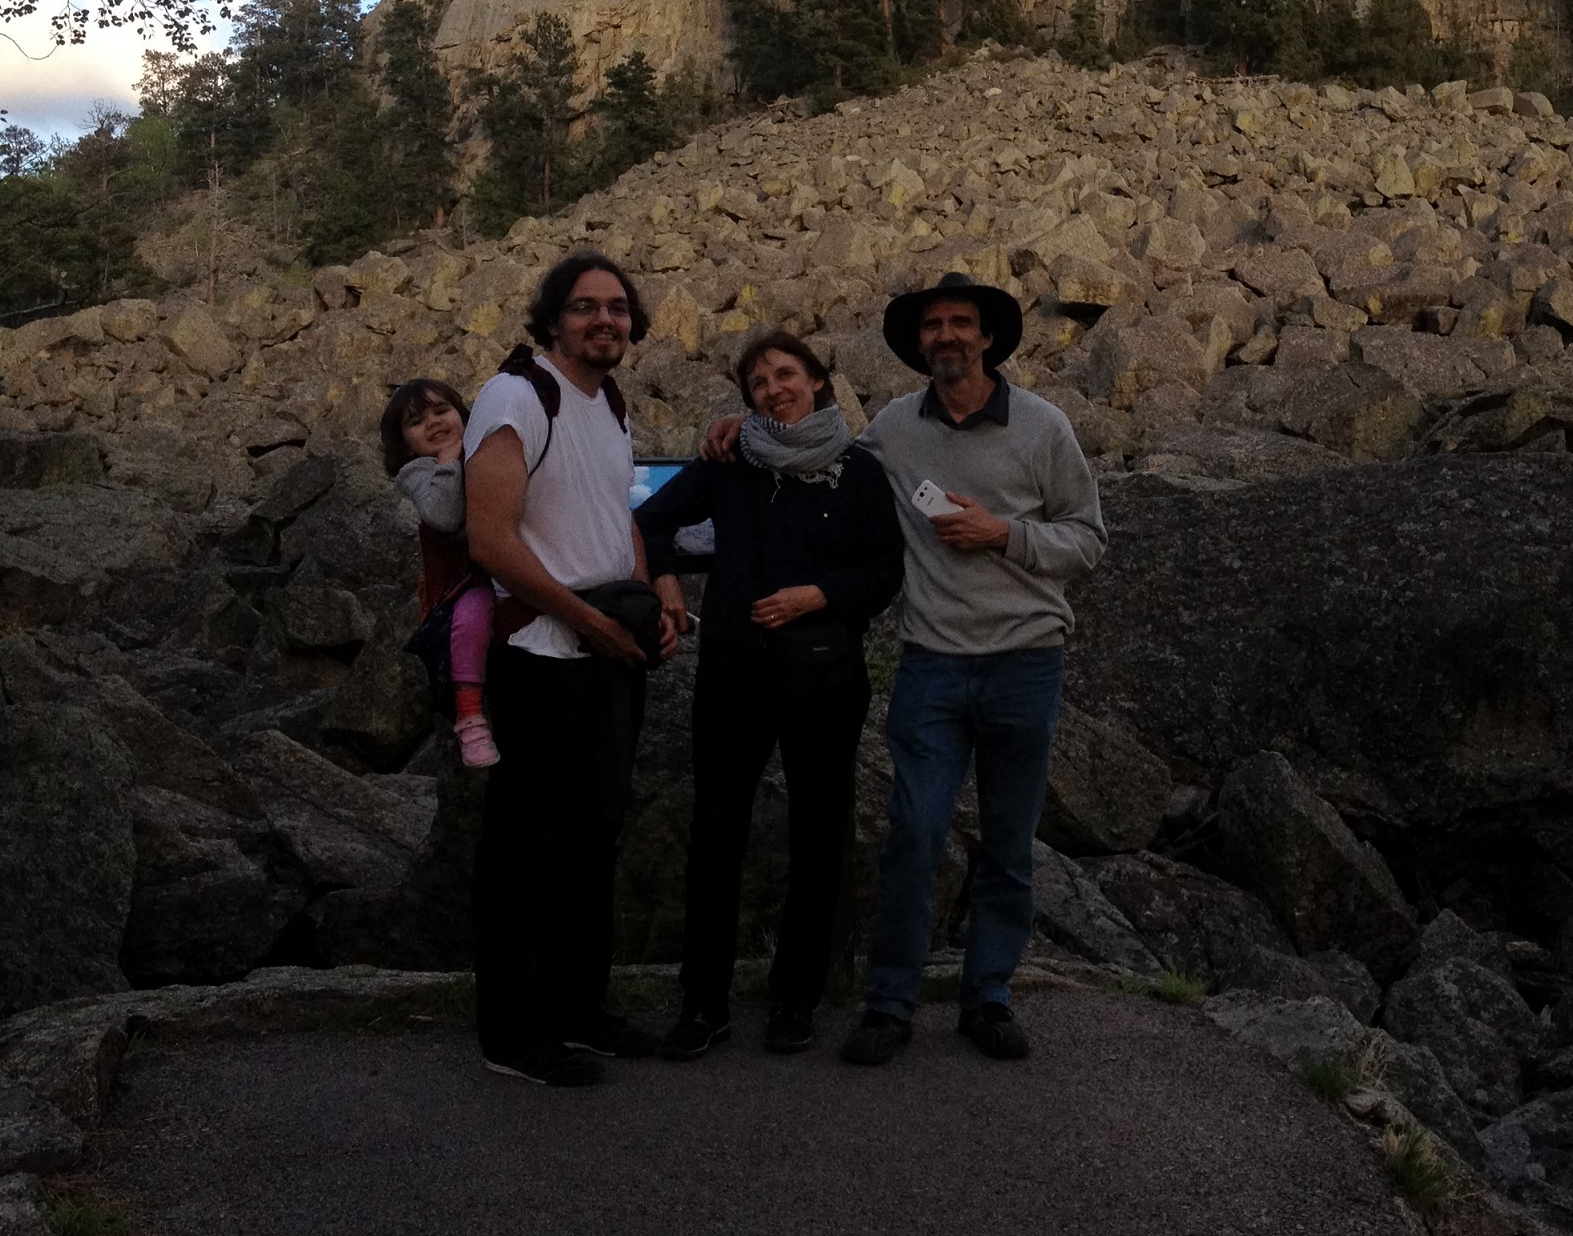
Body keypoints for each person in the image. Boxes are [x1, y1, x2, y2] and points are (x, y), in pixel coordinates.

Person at [711, 272, 1106, 1064]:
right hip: (931, 661)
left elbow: (1088, 540)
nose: (949, 335)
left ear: (988, 336)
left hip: (1025, 660)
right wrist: (745, 426)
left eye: (962, 322)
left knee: (1006, 838)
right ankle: (889, 1000)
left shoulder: (1044, 425)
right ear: (918, 343)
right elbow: (819, 462)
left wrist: (1005, 535)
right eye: (934, 326)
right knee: (914, 832)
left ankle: (987, 994)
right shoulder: (893, 425)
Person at [637, 329, 905, 1059]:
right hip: (733, 667)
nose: (772, 389)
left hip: (824, 670)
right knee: (715, 832)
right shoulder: (731, 460)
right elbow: (651, 517)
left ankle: (796, 1000)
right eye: (758, 382)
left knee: (820, 833)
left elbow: (885, 570)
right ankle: (704, 1003)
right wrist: (663, 581)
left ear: (819, 381)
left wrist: (817, 594)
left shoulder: (859, 472)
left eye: (786, 374)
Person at [464, 250, 685, 1088]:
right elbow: (492, 538)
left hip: (602, 652)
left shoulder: (609, 403)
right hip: (540, 654)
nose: (605, 320)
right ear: (552, 318)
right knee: (526, 846)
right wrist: (588, 618)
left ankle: (577, 1008)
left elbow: (616, 516)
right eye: (586, 307)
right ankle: (513, 1031)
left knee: (592, 838)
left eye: (618, 308)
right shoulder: (518, 395)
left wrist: (650, 596)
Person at [380, 377, 499, 767]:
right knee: (472, 619)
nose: (433, 422)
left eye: (442, 410)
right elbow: (445, 516)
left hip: (507, 566)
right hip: (462, 585)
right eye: (416, 421)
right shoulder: (418, 472)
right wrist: (450, 458)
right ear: (403, 442)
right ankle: (469, 716)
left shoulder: (485, 449)